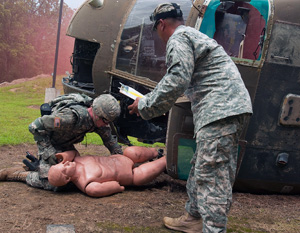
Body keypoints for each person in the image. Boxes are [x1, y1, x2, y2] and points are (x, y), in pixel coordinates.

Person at [128, 3, 253, 233]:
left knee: (212, 175)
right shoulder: (191, 35)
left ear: (162, 24)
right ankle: (193, 218)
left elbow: (177, 78)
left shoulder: (178, 38)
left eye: (156, 29)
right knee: (201, 167)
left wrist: (144, 104)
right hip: (225, 109)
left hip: (220, 110)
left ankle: (213, 229)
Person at [25, 93, 123, 191]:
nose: (106, 125)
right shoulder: (69, 118)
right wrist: (49, 153)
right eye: (106, 121)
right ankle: (26, 175)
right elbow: (34, 126)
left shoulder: (100, 122)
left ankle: (40, 166)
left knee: (75, 176)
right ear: (97, 114)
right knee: (56, 183)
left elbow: (111, 143)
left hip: (66, 146)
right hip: (51, 143)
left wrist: (121, 161)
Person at [0, 146, 166, 198]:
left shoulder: (74, 160)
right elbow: (102, 188)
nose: (66, 164)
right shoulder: (87, 184)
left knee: (132, 151)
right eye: (64, 167)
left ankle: (155, 152)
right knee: (141, 175)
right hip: (130, 176)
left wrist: (63, 156)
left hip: (123, 158)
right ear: (67, 178)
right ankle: (166, 160)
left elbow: (71, 154)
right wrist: (117, 187)